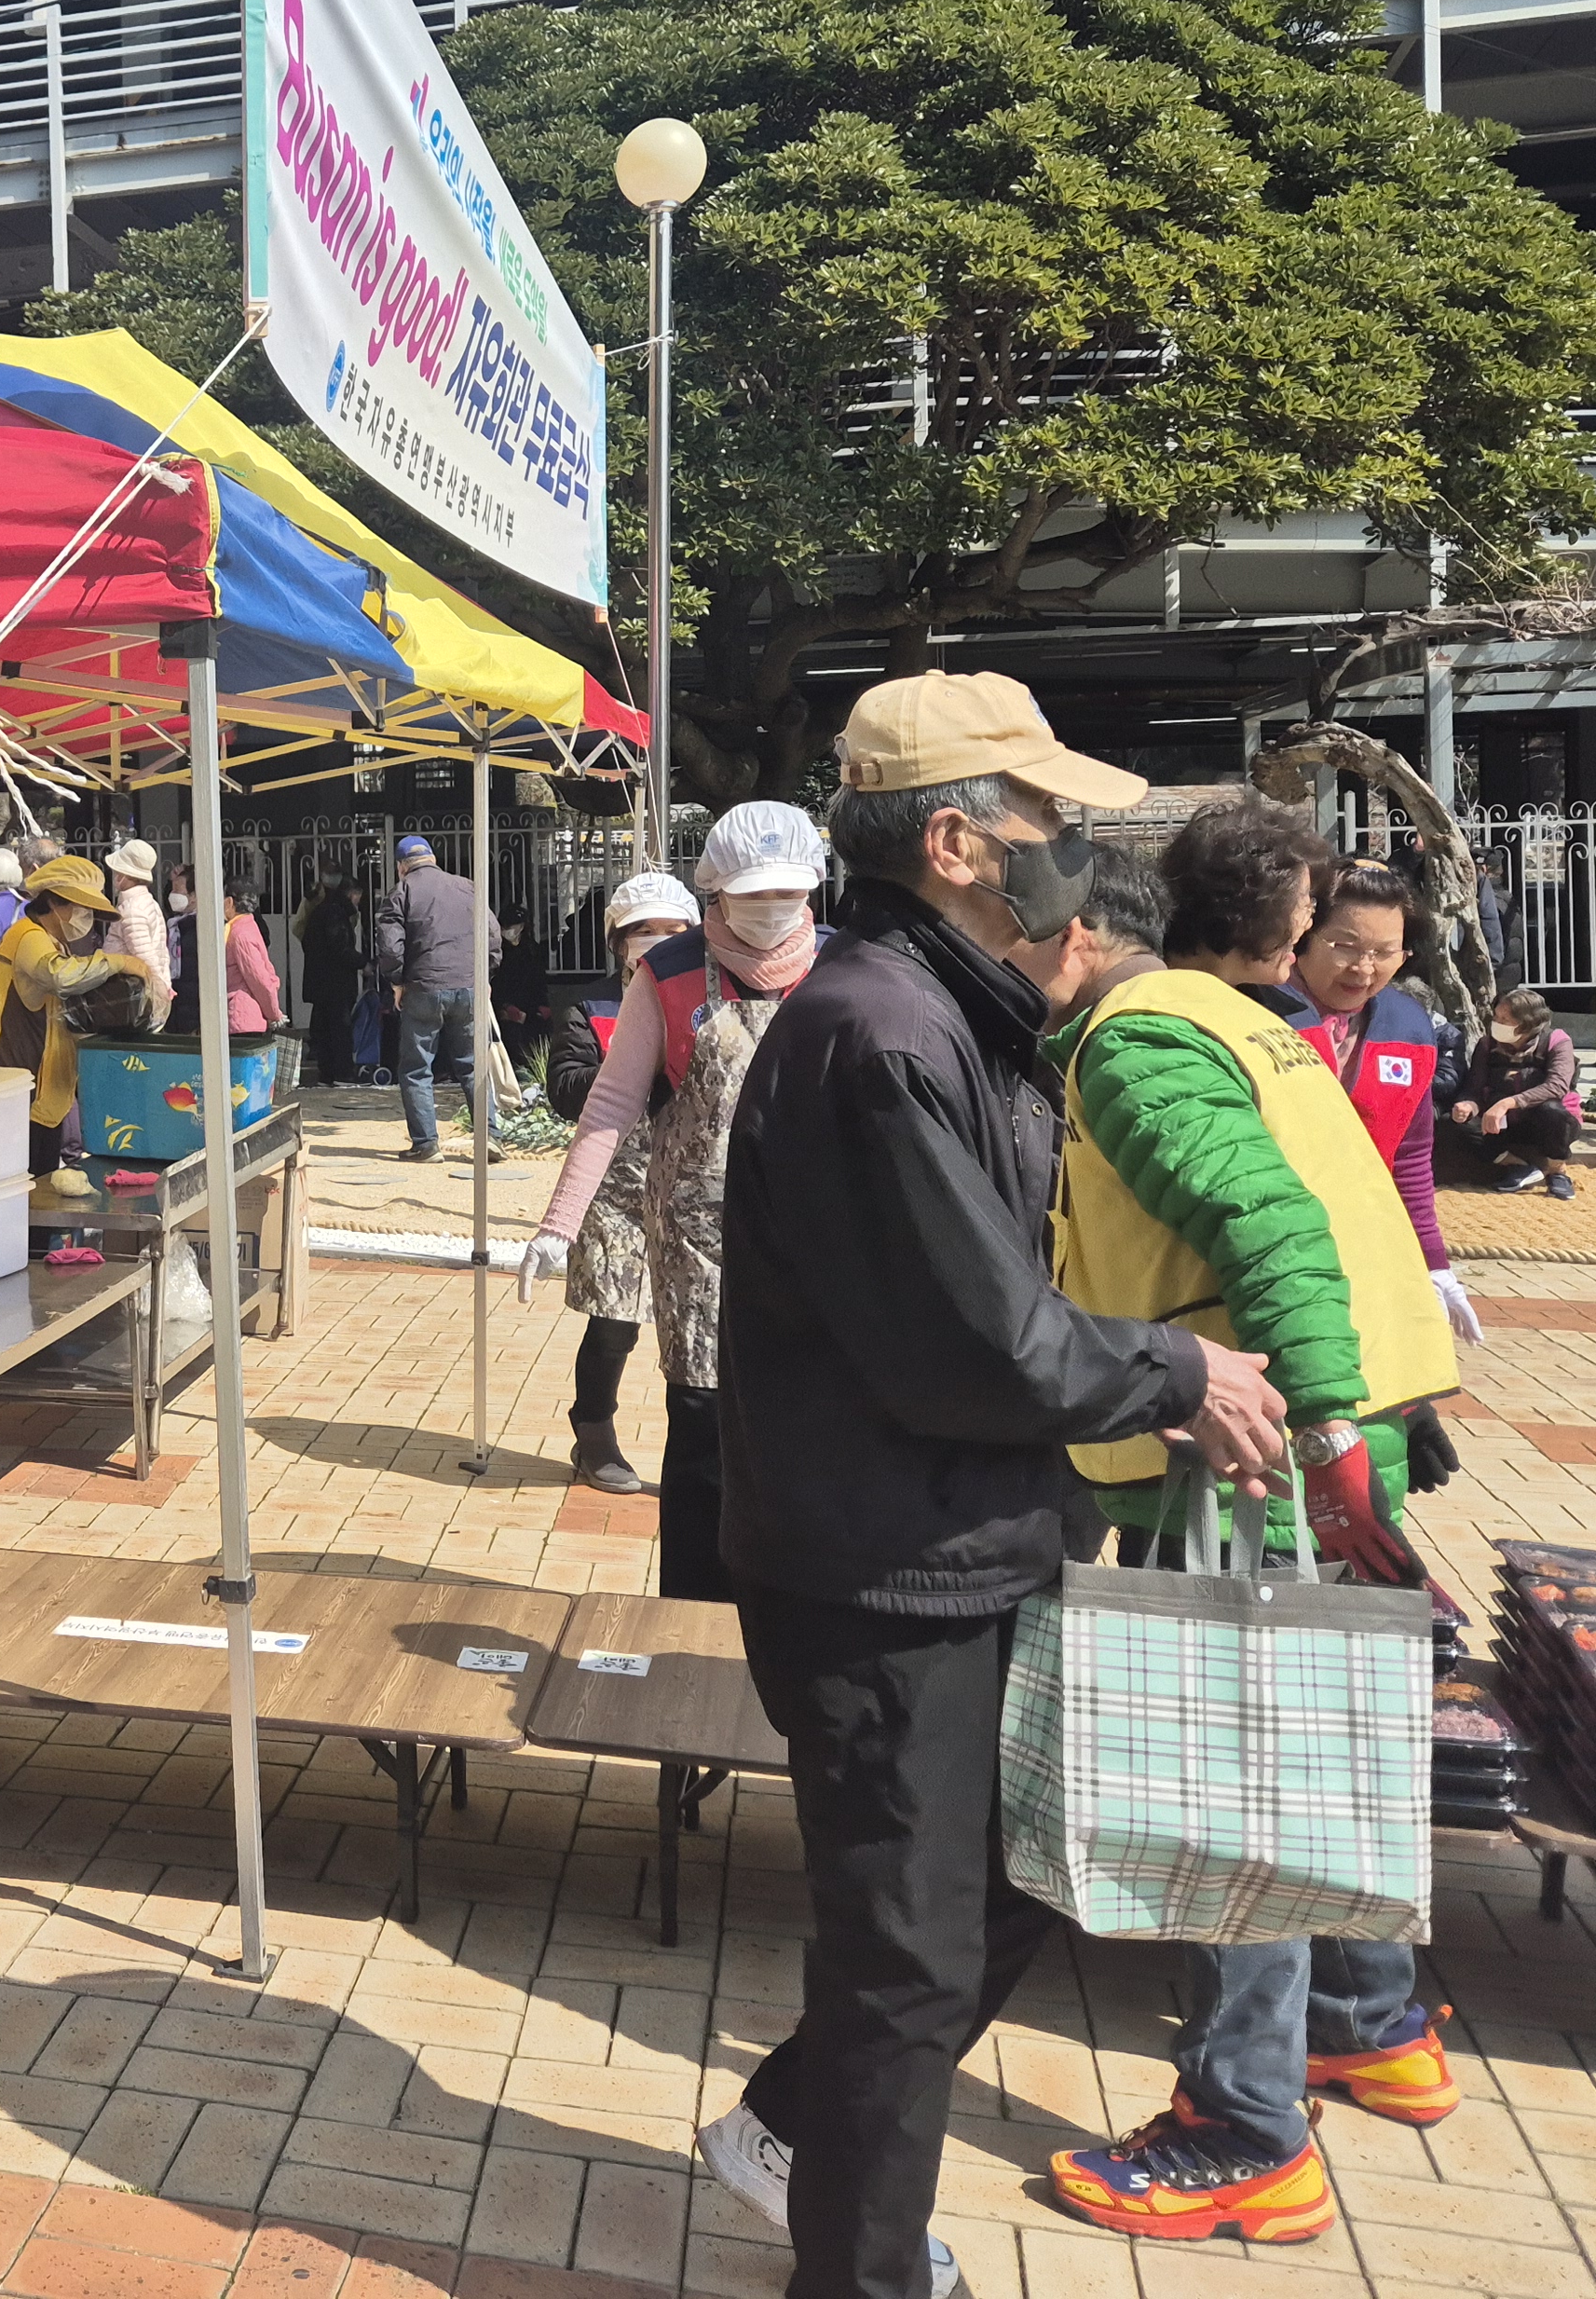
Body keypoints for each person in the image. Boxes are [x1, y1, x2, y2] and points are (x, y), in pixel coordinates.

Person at [698, 674, 1284, 2299]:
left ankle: (789, 2131)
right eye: (1046, 817)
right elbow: (975, 1342)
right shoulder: (881, 1032)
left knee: (1018, 1884)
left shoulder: (947, 1013)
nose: (1070, 846)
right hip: (887, 1572)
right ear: (956, 843)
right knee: (905, 1960)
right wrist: (1178, 1374)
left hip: (967, 1540)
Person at [1037, 800, 1462, 2247]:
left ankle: (1243, 2129)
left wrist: (1322, 1429)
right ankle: (1368, 2025)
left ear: (1079, 938)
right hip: (1330, 1432)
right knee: (1323, 1748)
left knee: (1236, 1788)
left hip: (1252, 1453)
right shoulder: (1260, 1027)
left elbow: (1268, 1224)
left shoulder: (1144, 1040)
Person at [526, 806, 829, 1536]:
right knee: (693, 1402)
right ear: (717, 888)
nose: (771, 908)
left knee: (799, 1401)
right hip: (692, 1230)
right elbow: (606, 1101)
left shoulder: (845, 966)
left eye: (786, 892)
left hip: (807, 1227)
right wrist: (559, 1222)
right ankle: (687, 1565)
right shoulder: (667, 977)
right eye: (753, 893)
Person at [515, 871, 698, 1500]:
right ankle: (593, 1433)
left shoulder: (709, 1000)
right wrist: (634, 1069)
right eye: (643, 930)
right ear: (618, 941)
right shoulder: (592, 1006)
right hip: (615, 1189)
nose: (657, 940)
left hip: (693, 1190)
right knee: (616, 1319)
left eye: (672, 930)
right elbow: (567, 1089)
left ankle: (701, 1453)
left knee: (699, 1325)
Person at [1287, 861, 1486, 1346]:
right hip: (1271, 1241)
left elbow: (1410, 1158)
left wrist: (1433, 1264)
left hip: (1362, 1248)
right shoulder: (1255, 1009)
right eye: (1345, 946)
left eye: (1383, 952)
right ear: (1304, 934)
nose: (1363, 968)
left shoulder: (1409, 1028)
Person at [0, 854, 157, 1184]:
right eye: (82, 908)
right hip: (20, 1089)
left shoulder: (52, 942)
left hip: (42, 1094)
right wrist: (117, 962)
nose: (85, 918)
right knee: (26, 1192)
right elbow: (60, 976)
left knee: (41, 1188)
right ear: (55, 902)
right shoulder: (28, 936)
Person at [373, 834, 488, 1163]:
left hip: (422, 988)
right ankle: (490, 1137)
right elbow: (492, 935)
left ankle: (426, 1145)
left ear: (401, 867)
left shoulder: (400, 892)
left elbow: (389, 946)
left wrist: (396, 982)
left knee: (416, 1069)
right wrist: (485, 975)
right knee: (472, 1065)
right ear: (433, 860)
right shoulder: (467, 887)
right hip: (468, 987)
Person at [1451, 985, 1583, 1195]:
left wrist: (1508, 1103)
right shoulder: (1487, 1045)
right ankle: (1518, 1167)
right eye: (1496, 1017)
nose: (1497, 1023)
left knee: (1552, 1111)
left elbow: (1557, 1086)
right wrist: (1467, 1105)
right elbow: (1474, 1088)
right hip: (1503, 1123)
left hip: (1546, 1122)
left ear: (1526, 1023)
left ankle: (1557, 1171)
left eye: (1505, 1020)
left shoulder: (1556, 1041)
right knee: (1455, 1122)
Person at [101, 837, 177, 1033]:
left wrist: (160, 990)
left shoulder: (132, 909)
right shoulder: (147, 903)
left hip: (132, 996)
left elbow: (145, 956)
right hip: (137, 993)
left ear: (125, 874)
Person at [298, 879, 362, 1086]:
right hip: (336, 984)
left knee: (324, 1031)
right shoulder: (337, 914)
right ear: (352, 894)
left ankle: (326, 1075)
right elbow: (340, 949)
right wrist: (363, 962)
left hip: (320, 983)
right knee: (340, 1030)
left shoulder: (319, 911)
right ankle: (343, 1074)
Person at [219, 879, 284, 1039]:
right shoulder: (246, 927)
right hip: (247, 1018)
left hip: (242, 1018)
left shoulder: (240, 934)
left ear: (229, 902)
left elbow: (259, 980)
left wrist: (274, 1014)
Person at [490, 912, 551, 1077]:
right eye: (504, 926)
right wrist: (505, 1005)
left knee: (540, 1029)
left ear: (522, 927)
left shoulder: (532, 949)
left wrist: (543, 1004)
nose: (507, 930)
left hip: (530, 1002)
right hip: (505, 1003)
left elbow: (539, 980)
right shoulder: (498, 949)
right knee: (509, 1030)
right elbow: (496, 981)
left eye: (511, 926)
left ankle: (536, 1068)